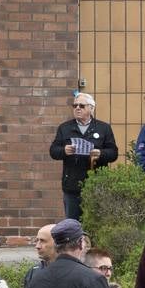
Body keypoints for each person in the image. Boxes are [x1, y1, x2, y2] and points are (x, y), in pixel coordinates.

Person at [49, 93, 118, 221]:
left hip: (96, 184)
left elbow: (113, 153)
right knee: (73, 224)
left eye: (82, 105)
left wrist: (101, 154)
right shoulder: (65, 128)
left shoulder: (103, 128)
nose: (77, 108)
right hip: (72, 185)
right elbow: (53, 151)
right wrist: (64, 150)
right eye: (75, 105)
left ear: (91, 108)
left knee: (96, 222)